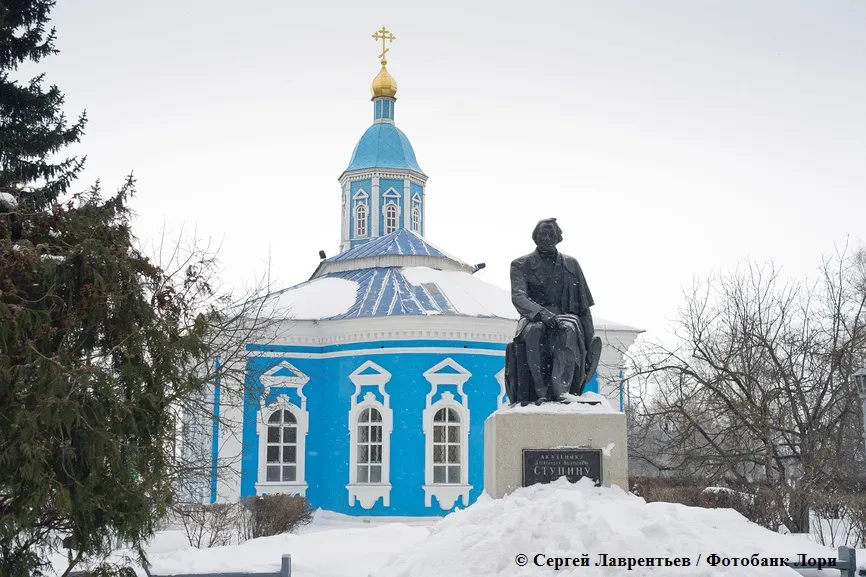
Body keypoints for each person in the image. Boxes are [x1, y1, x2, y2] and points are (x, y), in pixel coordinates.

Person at [508, 218, 600, 403]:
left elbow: (583, 308)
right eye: (543, 234)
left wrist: (590, 341)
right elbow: (518, 296)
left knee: (567, 330)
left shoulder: (571, 265)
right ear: (535, 237)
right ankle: (539, 389)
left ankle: (561, 389)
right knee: (536, 330)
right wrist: (542, 314)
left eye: (551, 234)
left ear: (558, 238)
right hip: (531, 317)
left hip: (565, 316)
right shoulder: (520, 264)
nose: (547, 237)